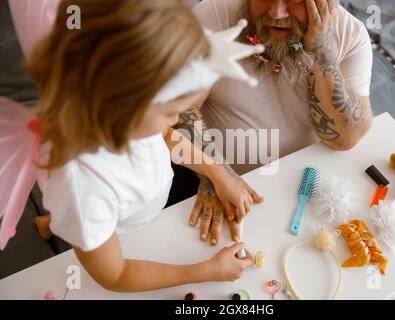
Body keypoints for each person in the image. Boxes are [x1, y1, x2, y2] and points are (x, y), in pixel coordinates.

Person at [0, 0, 263, 292]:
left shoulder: (121, 118)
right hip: (122, 226)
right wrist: (207, 270)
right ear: (127, 107)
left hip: (125, 205)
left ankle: (51, 223)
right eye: (170, 112)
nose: (177, 119)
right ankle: (60, 228)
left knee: (74, 217)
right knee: (80, 221)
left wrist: (217, 173)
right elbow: (117, 274)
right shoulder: (83, 188)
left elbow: (165, 136)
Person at [181, 0, 373, 245]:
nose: (276, 13)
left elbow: (346, 137)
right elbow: (177, 110)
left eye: (295, 1)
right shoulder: (213, 16)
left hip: (308, 191)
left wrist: (322, 51)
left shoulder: (351, 35)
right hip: (225, 185)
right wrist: (214, 174)